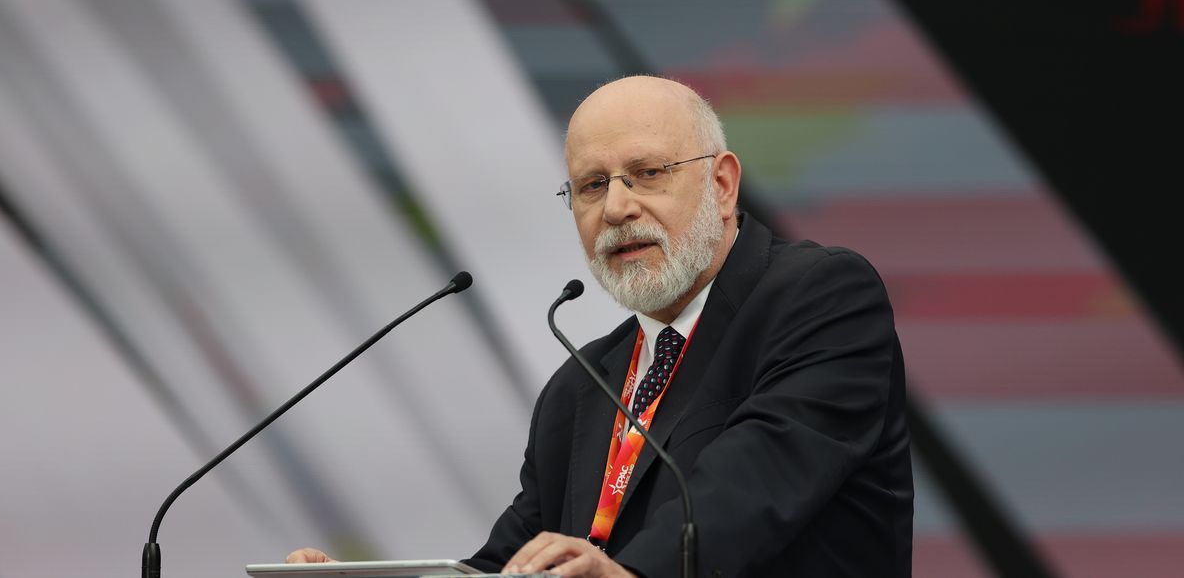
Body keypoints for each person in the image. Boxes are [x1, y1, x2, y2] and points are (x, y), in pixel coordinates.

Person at [288, 76, 913, 576]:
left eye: (648, 173)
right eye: (591, 185)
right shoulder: (584, 383)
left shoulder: (821, 298)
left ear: (722, 185)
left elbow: (753, 484)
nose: (616, 207)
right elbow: (510, 565)